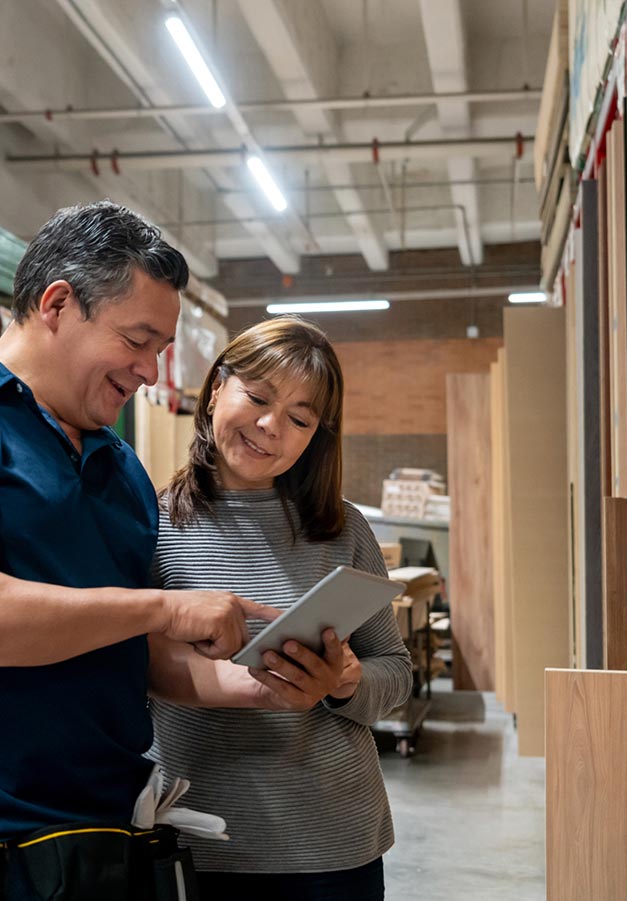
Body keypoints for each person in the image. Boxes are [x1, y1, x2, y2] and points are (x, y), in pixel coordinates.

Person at [0, 201, 276, 899]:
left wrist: (258, 685)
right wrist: (165, 608)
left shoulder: (121, 469)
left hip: (107, 837)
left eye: (161, 349)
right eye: (137, 340)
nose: (148, 370)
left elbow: (129, 651)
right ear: (56, 304)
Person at [146, 316, 414, 901]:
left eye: (299, 418)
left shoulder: (343, 529)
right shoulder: (153, 522)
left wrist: (345, 682)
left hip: (331, 843)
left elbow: (395, 672)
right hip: (194, 836)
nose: (271, 426)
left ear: (316, 436)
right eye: (259, 398)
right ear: (216, 388)